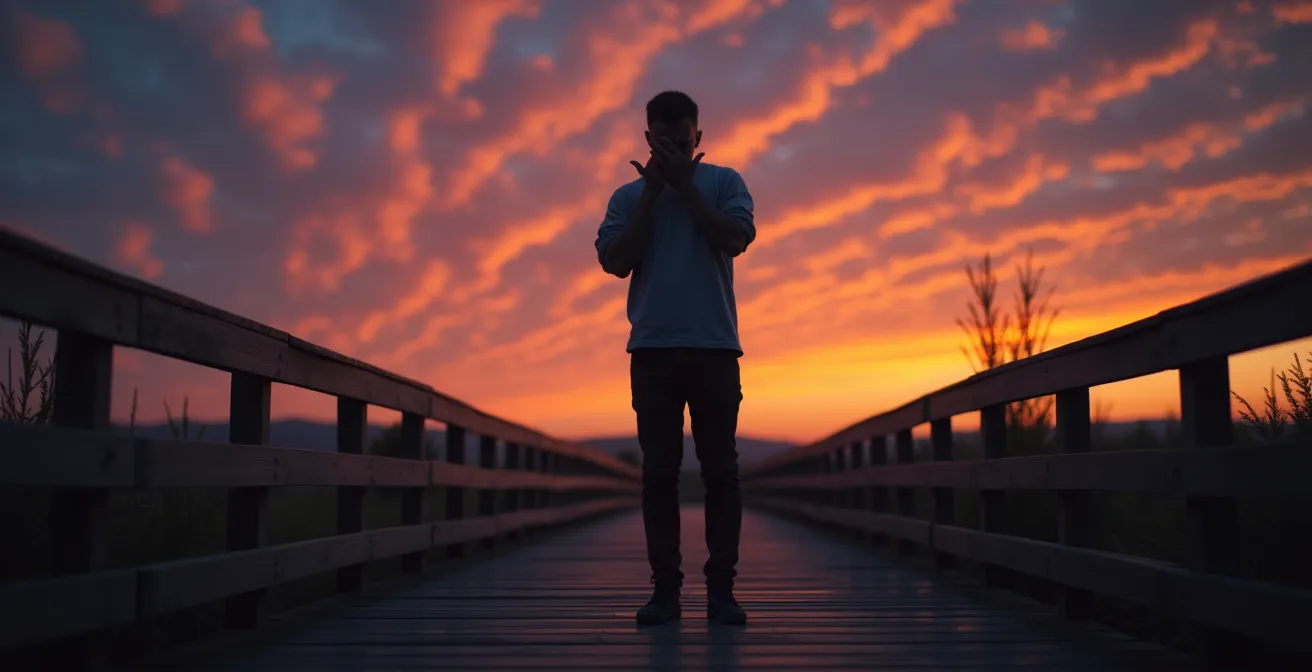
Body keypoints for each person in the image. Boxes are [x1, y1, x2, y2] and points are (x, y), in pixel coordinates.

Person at [594, 90, 755, 626]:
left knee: (721, 471)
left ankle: (721, 593)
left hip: (715, 348)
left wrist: (685, 187)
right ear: (647, 140)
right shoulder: (626, 197)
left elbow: (735, 238)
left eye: (682, 145)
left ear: (698, 138)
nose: (673, 154)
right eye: (662, 146)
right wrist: (650, 196)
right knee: (659, 474)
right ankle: (665, 593)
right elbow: (616, 261)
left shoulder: (725, 183)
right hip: (653, 351)